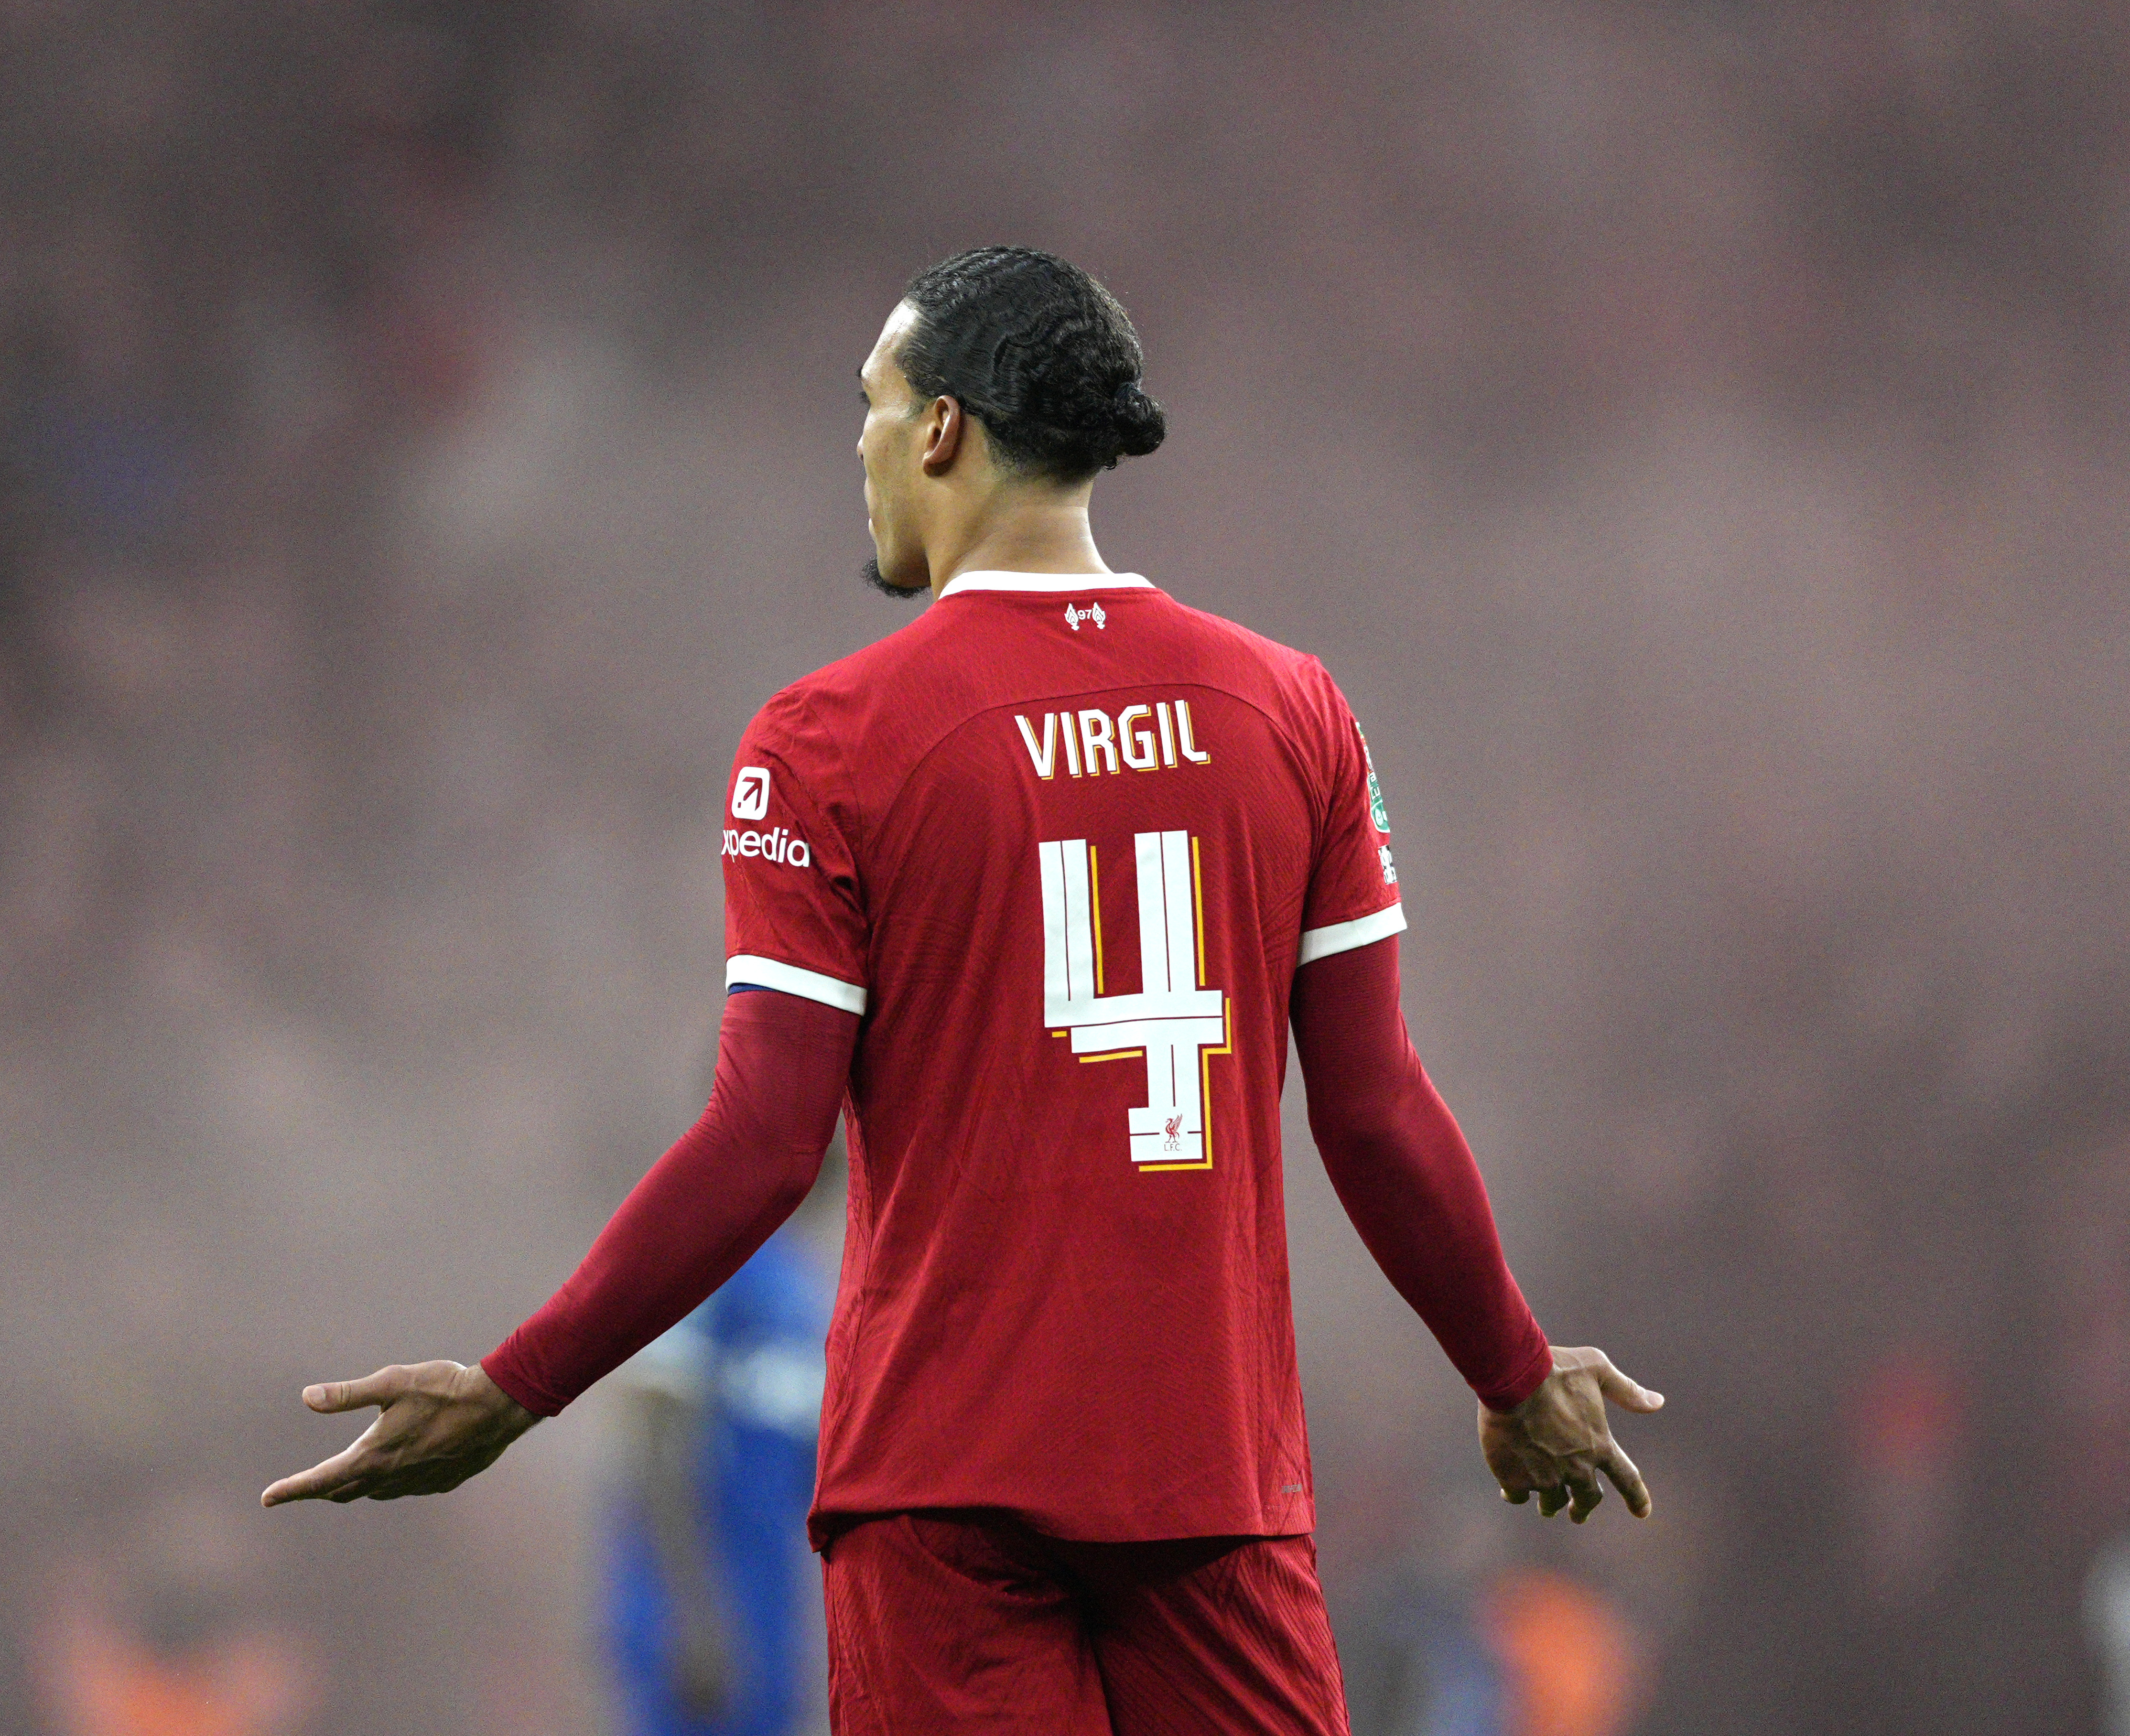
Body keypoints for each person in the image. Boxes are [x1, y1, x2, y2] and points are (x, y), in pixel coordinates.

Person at [265, 247, 1662, 1733]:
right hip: (1215, 1484)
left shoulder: (824, 740)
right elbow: (1373, 1110)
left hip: (940, 1501)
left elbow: (762, 1139)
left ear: (941, 430)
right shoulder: (1291, 708)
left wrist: (514, 1382)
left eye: (870, 405)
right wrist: (1509, 1369)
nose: (857, 445)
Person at [605, 1223, 834, 1736]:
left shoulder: (798, 1283)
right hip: (697, 1630)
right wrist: (693, 1614)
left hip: (768, 1624)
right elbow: (653, 1445)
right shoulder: (706, 1259)